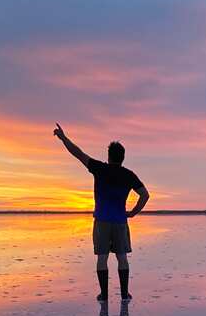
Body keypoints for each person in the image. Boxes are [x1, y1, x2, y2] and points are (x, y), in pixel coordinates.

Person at [54, 123, 149, 301]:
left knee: (102, 258)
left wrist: (63, 138)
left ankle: (104, 295)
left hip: (102, 221)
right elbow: (145, 195)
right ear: (123, 158)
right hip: (120, 221)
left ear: (109, 156)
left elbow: (78, 154)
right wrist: (133, 212)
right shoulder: (129, 175)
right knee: (122, 257)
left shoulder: (100, 168)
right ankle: (124, 294)